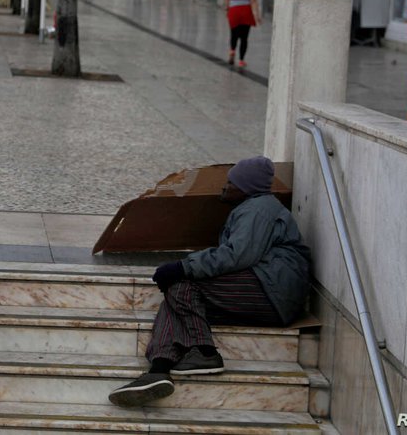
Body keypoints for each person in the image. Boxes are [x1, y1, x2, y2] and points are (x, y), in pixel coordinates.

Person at [108, 156, 310, 407]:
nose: (224, 187)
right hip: (266, 292)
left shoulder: (259, 209)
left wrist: (183, 266)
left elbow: (237, 255)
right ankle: (158, 370)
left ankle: (205, 352)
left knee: (182, 285)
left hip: (274, 292)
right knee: (174, 300)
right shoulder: (253, 208)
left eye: (231, 182)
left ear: (246, 187)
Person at [224, 0, 262, 69]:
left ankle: (232, 51)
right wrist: (257, 15)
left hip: (234, 10)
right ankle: (241, 60)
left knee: (234, 33)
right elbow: (253, 1)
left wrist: (227, 9)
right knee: (244, 37)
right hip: (246, 10)